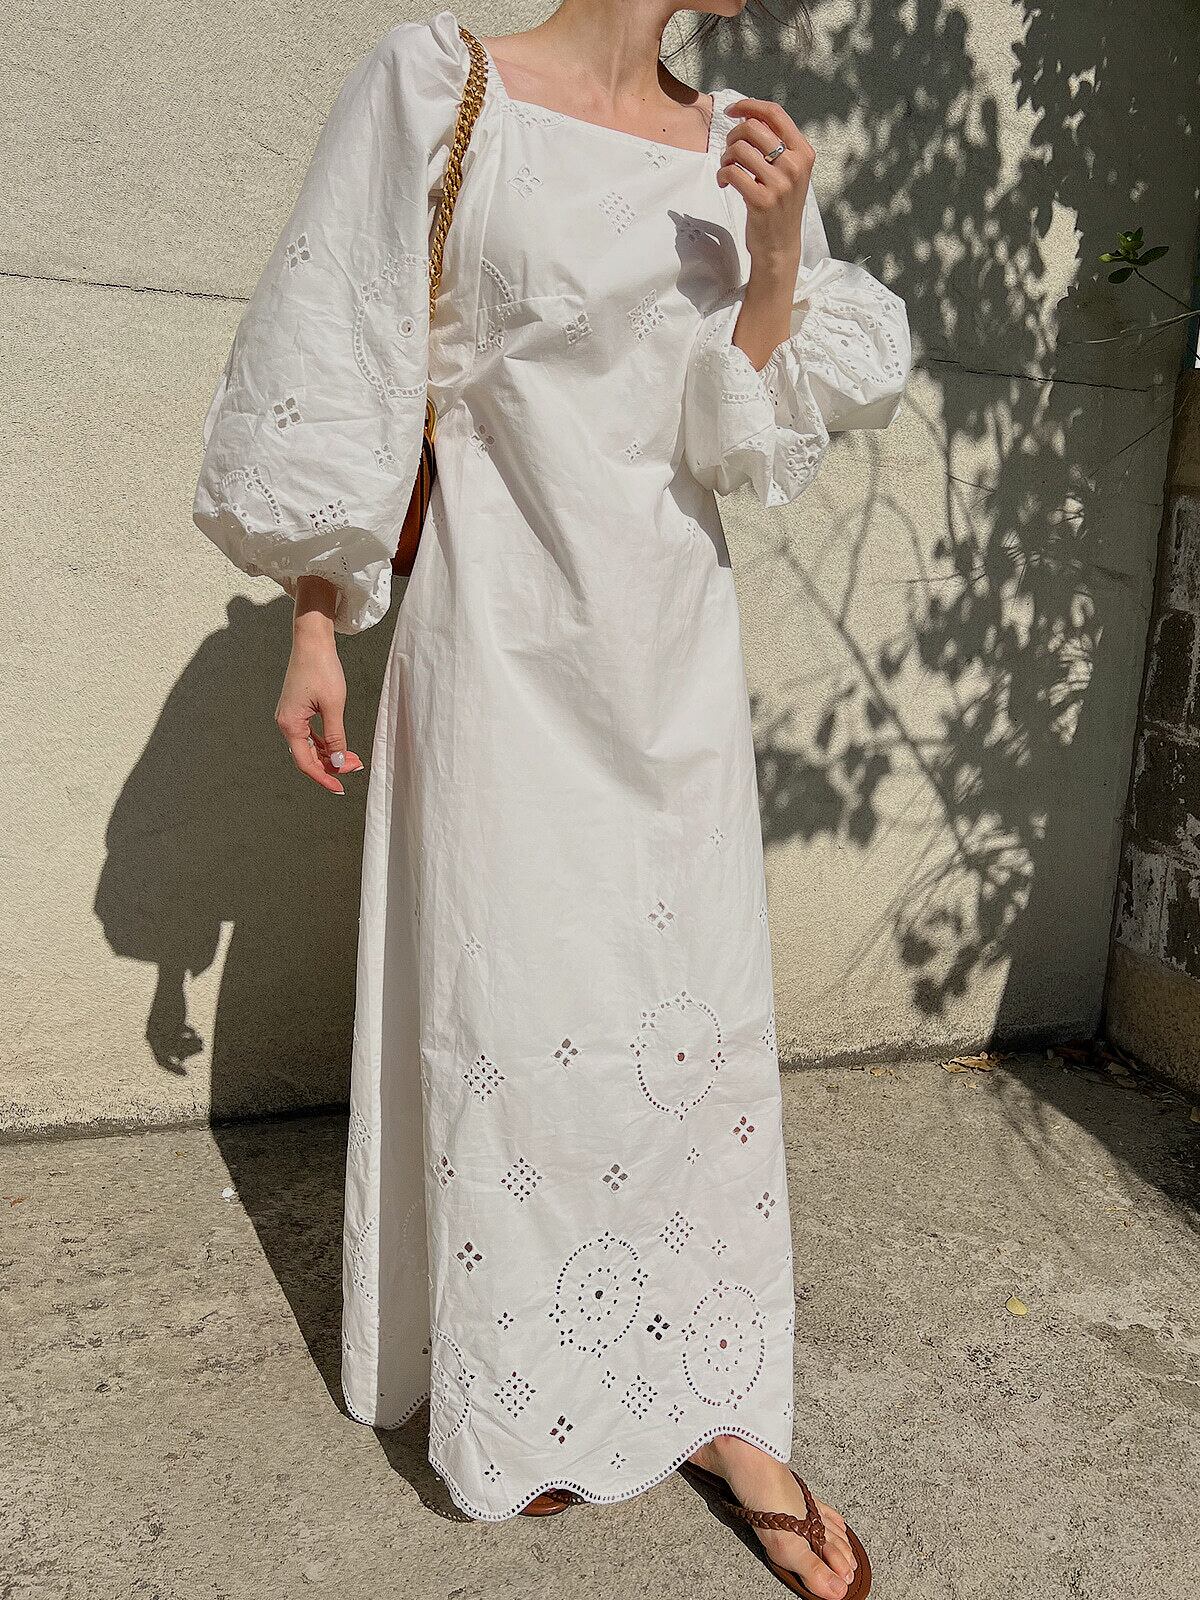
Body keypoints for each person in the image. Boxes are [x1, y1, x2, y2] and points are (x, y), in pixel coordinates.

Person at [192, 3, 909, 1594]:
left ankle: (722, 1405)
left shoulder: (735, 144)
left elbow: (737, 447)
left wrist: (775, 259)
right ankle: (525, 1383)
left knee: (683, 1027)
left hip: (671, 656)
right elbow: (351, 343)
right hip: (499, 640)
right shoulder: (443, 88)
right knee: (511, 1021)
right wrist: (316, 617)